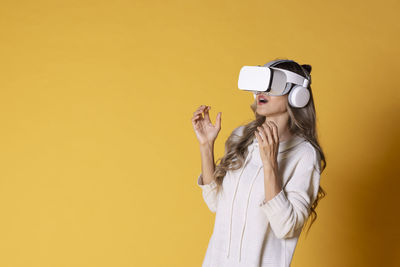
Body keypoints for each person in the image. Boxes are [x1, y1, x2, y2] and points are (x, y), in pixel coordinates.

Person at [191, 59, 327, 267]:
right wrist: (206, 146)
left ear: (297, 95)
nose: (262, 91)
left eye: (273, 84)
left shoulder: (304, 154)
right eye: (261, 83)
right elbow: (215, 203)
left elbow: (285, 227)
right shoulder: (241, 137)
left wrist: (270, 163)